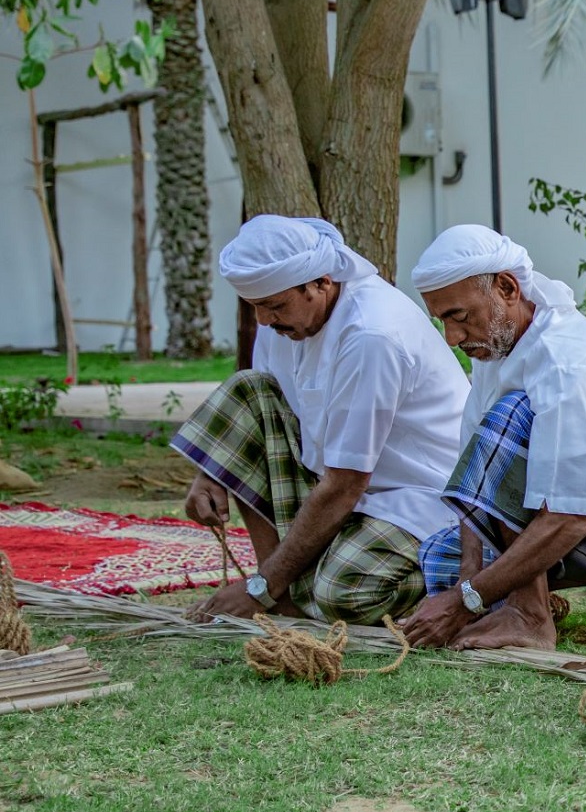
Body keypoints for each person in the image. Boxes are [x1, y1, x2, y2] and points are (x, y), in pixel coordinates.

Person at [398, 226, 586, 651]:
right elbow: (478, 480)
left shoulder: (566, 361)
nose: (452, 338)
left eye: (459, 316)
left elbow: (570, 517)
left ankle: (530, 615)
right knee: (439, 560)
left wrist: (467, 602)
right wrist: (467, 580)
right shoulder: (497, 350)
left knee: (514, 414)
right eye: (443, 322)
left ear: (507, 287)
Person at [173, 215, 467, 624]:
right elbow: (258, 410)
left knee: (343, 593)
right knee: (248, 388)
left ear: (322, 283)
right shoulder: (283, 323)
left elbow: (346, 483)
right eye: (255, 307)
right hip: (341, 484)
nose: (264, 321)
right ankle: (283, 593)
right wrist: (213, 472)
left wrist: (259, 587)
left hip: (425, 497)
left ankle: (469, 583)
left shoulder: (371, 336)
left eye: (274, 306)